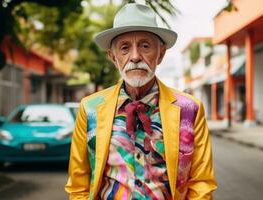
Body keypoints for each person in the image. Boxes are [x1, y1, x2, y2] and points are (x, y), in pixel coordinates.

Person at [65, 3, 217, 199]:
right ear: (113, 57)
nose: (135, 56)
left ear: (160, 54)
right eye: (125, 48)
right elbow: (78, 185)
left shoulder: (190, 109)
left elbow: (201, 183)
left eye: (145, 46)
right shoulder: (90, 109)